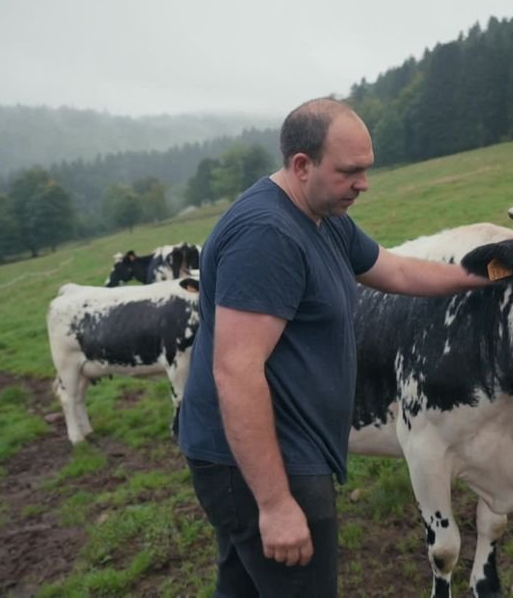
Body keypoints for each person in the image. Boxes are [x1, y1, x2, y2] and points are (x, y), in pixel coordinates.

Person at [177, 97, 491, 597]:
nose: (363, 184)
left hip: (278, 453)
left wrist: (484, 272)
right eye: (350, 171)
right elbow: (236, 372)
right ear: (302, 166)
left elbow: (399, 270)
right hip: (264, 463)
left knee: (243, 589)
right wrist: (277, 505)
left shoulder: (325, 218)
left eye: (366, 170)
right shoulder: (266, 236)